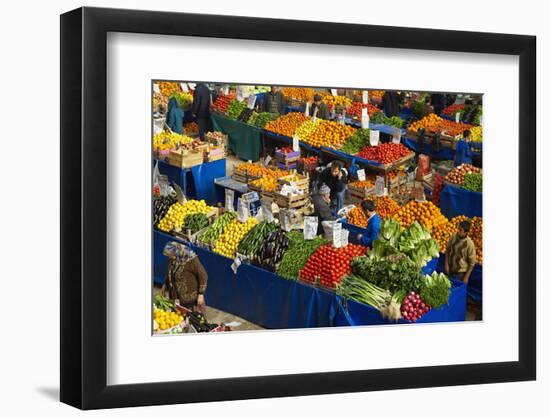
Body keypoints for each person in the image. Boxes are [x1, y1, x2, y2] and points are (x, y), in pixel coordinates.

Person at [162, 242, 208, 310]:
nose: (169, 257)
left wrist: (201, 294)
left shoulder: (191, 260)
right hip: (176, 297)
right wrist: (165, 284)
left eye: (170, 255)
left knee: (194, 317)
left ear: (177, 252)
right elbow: (170, 272)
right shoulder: (173, 258)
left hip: (190, 298)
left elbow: (203, 275)